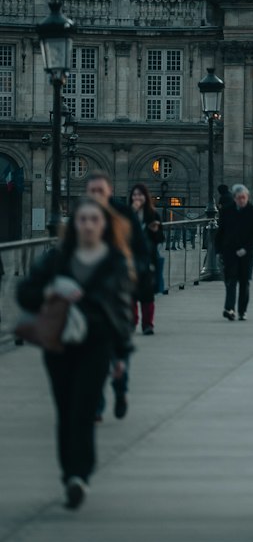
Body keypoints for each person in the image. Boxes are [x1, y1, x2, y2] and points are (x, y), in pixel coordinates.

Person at [16, 197, 134, 509]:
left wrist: (122, 355)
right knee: (65, 411)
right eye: (82, 219)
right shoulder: (57, 259)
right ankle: (69, 473)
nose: (88, 225)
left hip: (97, 345)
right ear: (74, 224)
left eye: (94, 219)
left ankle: (79, 475)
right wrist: (51, 290)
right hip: (60, 345)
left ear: (103, 225)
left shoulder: (114, 262)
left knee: (83, 410)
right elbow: (24, 294)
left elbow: (122, 312)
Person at [84, 171, 151, 420]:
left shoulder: (124, 215)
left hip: (118, 296)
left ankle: (120, 390)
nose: (96, 195)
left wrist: (134, 275)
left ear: (109, 191)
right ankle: (97, 404)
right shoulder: (82, 216)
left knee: (119, 353)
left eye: (100, 190)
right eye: (92, 191)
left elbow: (142, 252)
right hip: (89, 299)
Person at [215, 183, 253, 321]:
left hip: (246, 253)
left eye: (243, 197)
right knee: (230, 281)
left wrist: (247, 248)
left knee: (244, 282)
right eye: (239, 198)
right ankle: (229, 309)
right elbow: (221, 232)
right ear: (235, 198)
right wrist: (218, 250)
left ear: (247, 197)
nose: (241, 200)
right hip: (229, 251)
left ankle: (242, 311)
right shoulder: (227, 211)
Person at [129, 183, 163, 332]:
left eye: (140, 195)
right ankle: (132, 322)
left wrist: (155, 231)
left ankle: (148, 324)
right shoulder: (126, 215)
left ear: (145, 197)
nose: (137, 198)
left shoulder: (153, 214)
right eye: (135, 195)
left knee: (147, 292)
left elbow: (160, 238)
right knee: (130, 293)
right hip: (130, 258)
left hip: (148, 258)